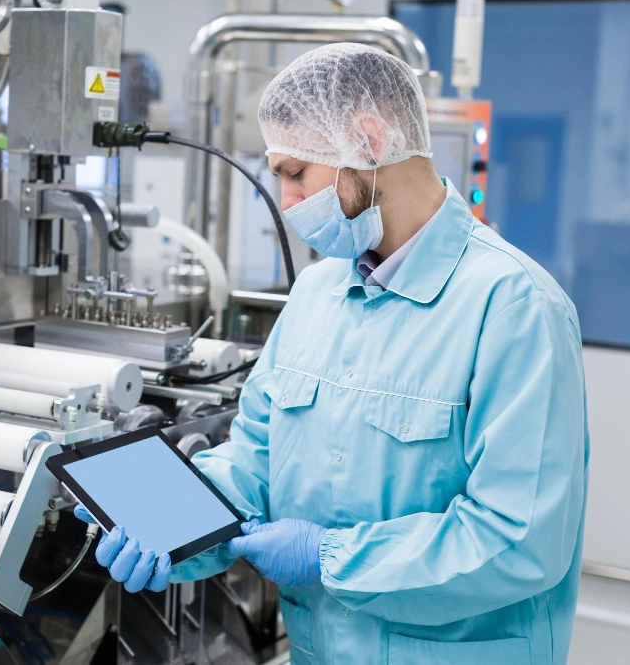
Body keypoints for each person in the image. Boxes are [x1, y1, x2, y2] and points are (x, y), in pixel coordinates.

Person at [76, 42, 589, 664]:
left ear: (369, 141)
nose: (287, 203)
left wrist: (330, 557)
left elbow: (520, 539)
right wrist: (170, 524)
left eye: (296, 173)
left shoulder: (514, 307)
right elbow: (255, 461)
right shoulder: (319, 292)